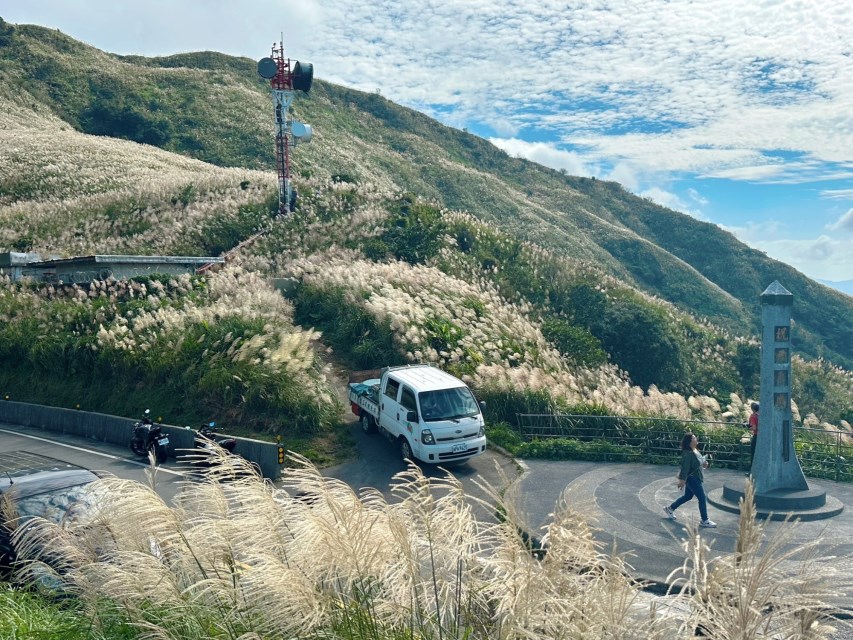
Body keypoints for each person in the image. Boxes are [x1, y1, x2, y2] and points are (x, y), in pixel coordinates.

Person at [664, 432, 716, 528]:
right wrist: (682, 480)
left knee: (688, 496)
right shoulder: (687, 453)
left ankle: (670, 508)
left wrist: (704, 463)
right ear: (690, 441)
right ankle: (705, 520)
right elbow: (685, 467)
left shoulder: (695, 450)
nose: (696, 439)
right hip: (692, 479)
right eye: (694, 438)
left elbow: (698, 461)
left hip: (695, 477)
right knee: (702, 497)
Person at [748, 402, 759, 467]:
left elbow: (754, 428)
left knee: (753, 453)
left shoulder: (753, 416)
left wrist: (749, 427)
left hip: (756, 436)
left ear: (752, 409)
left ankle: (752, 470)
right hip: (762, 436)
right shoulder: (761, 415)